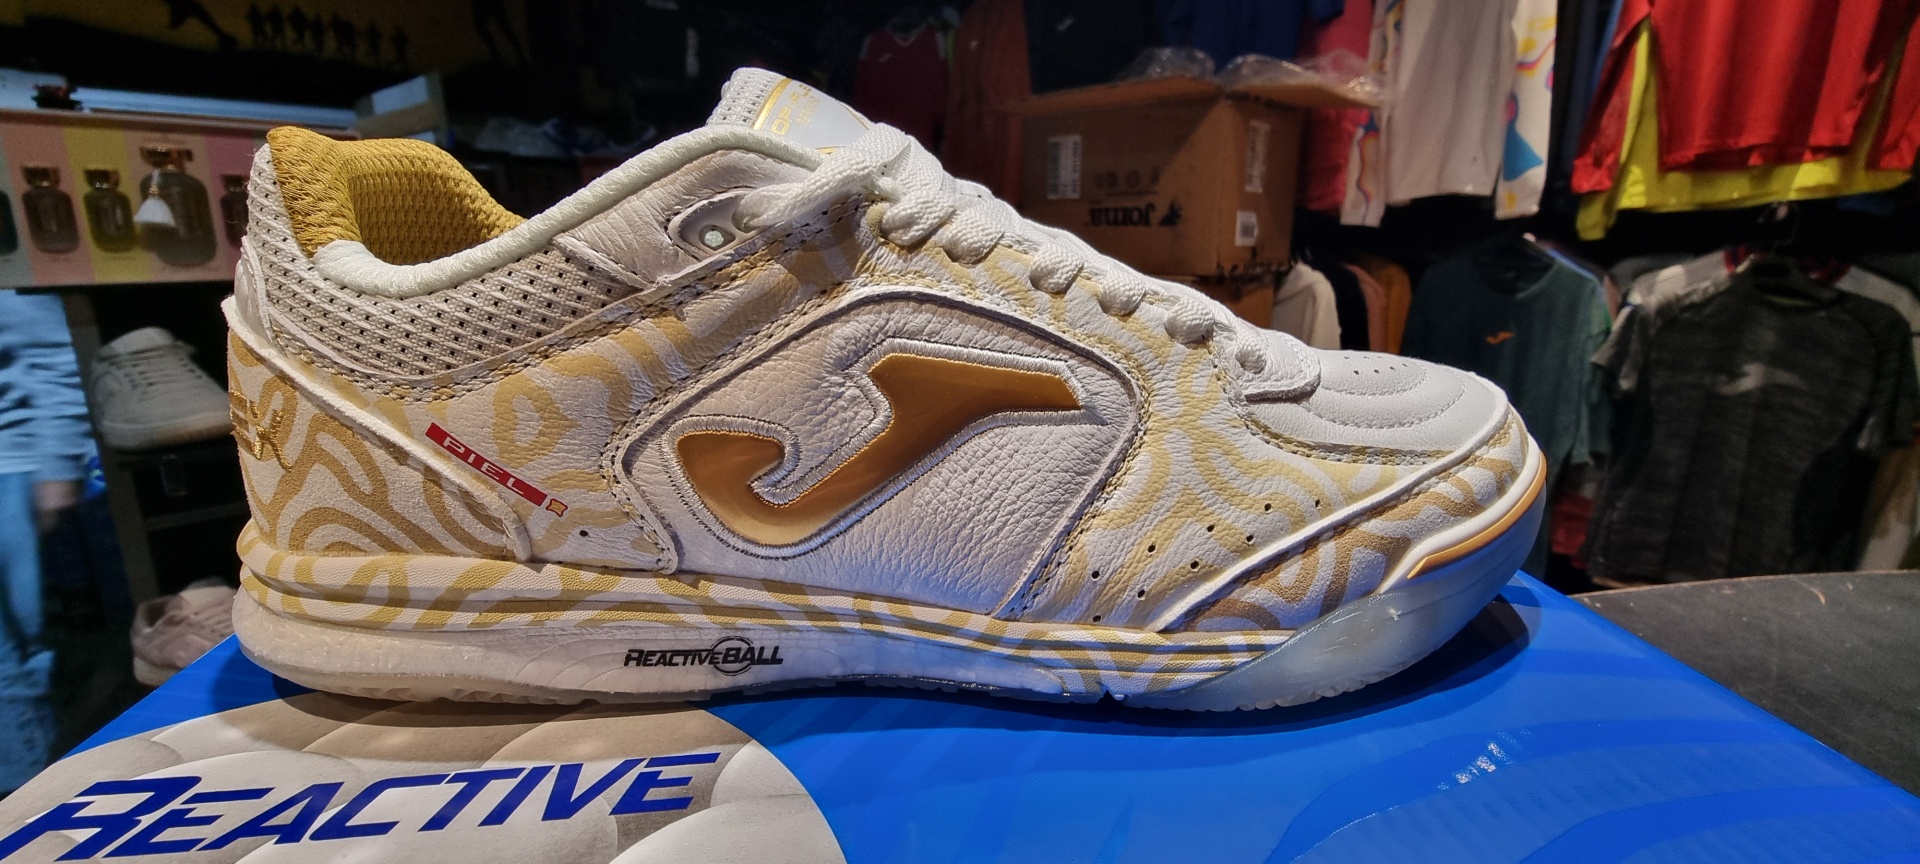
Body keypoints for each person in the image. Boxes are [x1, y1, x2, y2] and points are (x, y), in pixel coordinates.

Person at [0, 290, 91, 792]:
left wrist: (57, 467)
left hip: (8, 468)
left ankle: (27, 794)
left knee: (10, 662)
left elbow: (52, 350)